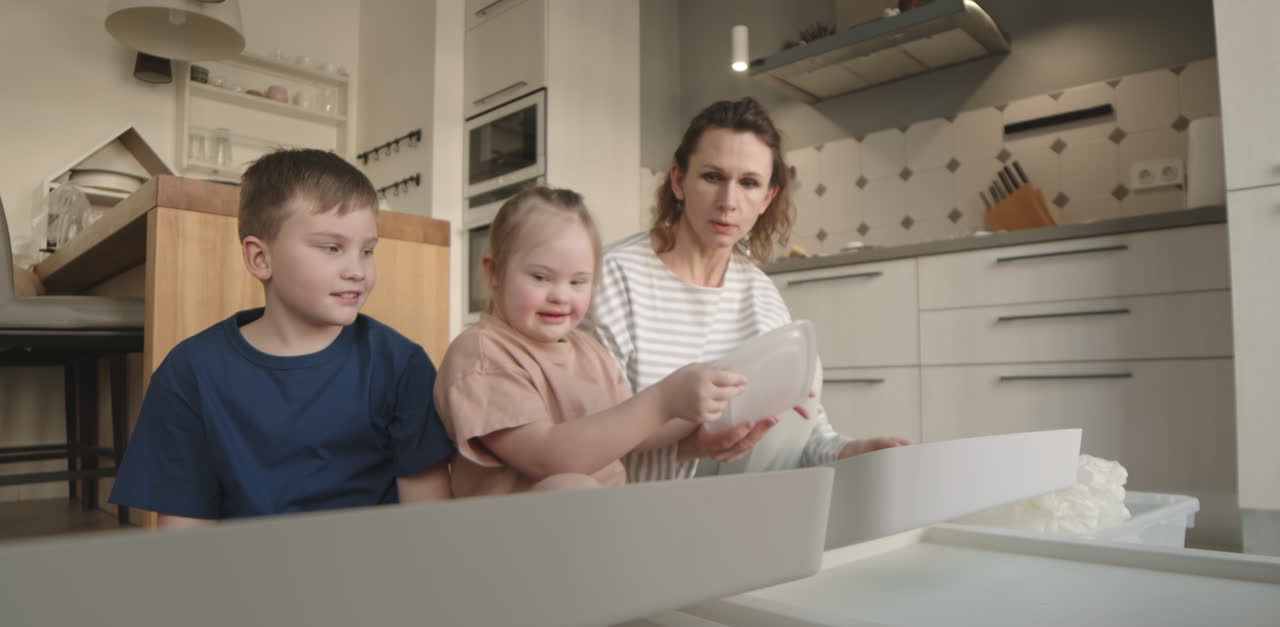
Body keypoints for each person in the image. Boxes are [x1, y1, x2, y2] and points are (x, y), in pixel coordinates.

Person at [110, 149, 454, 526]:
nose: (357, 270)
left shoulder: (401, 365)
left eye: (368, 251)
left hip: (371, 576)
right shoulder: (189, 374)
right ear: (260, 258)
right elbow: (183, 536)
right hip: (245, 578)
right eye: (332, 248)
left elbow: (428, 523)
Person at [590, 97, 910, 482]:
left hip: (733, 508)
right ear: (678, 181)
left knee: (807, 374)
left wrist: (851, 451)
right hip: (631, 508)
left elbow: (798, 432)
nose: (728, 202)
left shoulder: (761, 295)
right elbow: (582, 437)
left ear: (767, 198)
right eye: (712, 177)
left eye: (748, 183)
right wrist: (689, 446)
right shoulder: (614, 277)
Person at [433, 186, 746, 496]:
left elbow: (637, 433)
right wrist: (663, 401)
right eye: (541, 278)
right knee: (568, 485)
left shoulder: (589, 350)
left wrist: (714, 402)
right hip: (505, 541)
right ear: (495, 273)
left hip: (596, 525)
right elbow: (546, 458)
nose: (560, 296)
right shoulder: (483, 354)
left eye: (578, 281)